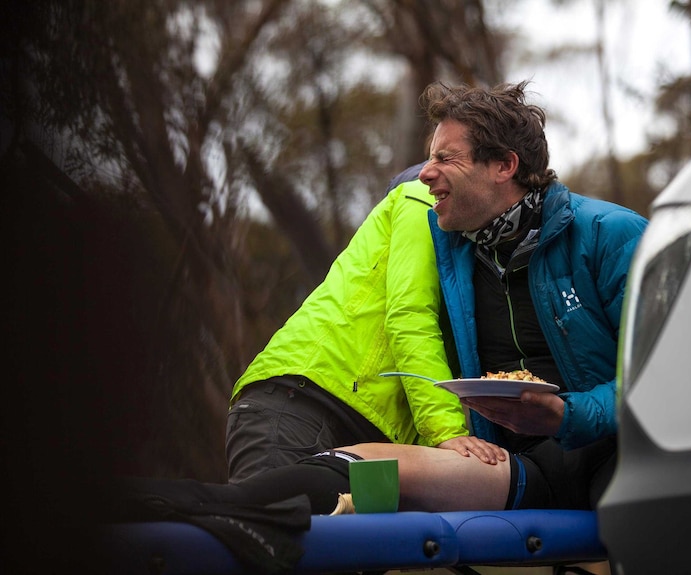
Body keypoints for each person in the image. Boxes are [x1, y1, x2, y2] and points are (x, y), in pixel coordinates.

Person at [125, 80, 647, 516]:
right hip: (307, 395)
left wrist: (558, 418)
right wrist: (449, 432)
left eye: (445, 157)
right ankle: (156, 504)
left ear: (504, 165)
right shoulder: (449, 235)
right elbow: (413, 320)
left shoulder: (605, 234)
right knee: (275, 521)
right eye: (426, 159)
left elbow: (658, 382)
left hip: (590, 454)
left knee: (292, 528)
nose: (426, 173)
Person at [225, 163, 504, 483]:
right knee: (269, 524)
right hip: (306, 402)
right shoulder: (420, 201)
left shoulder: (465, 262)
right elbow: (409, 317)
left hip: (364, 424)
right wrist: (446, 432)